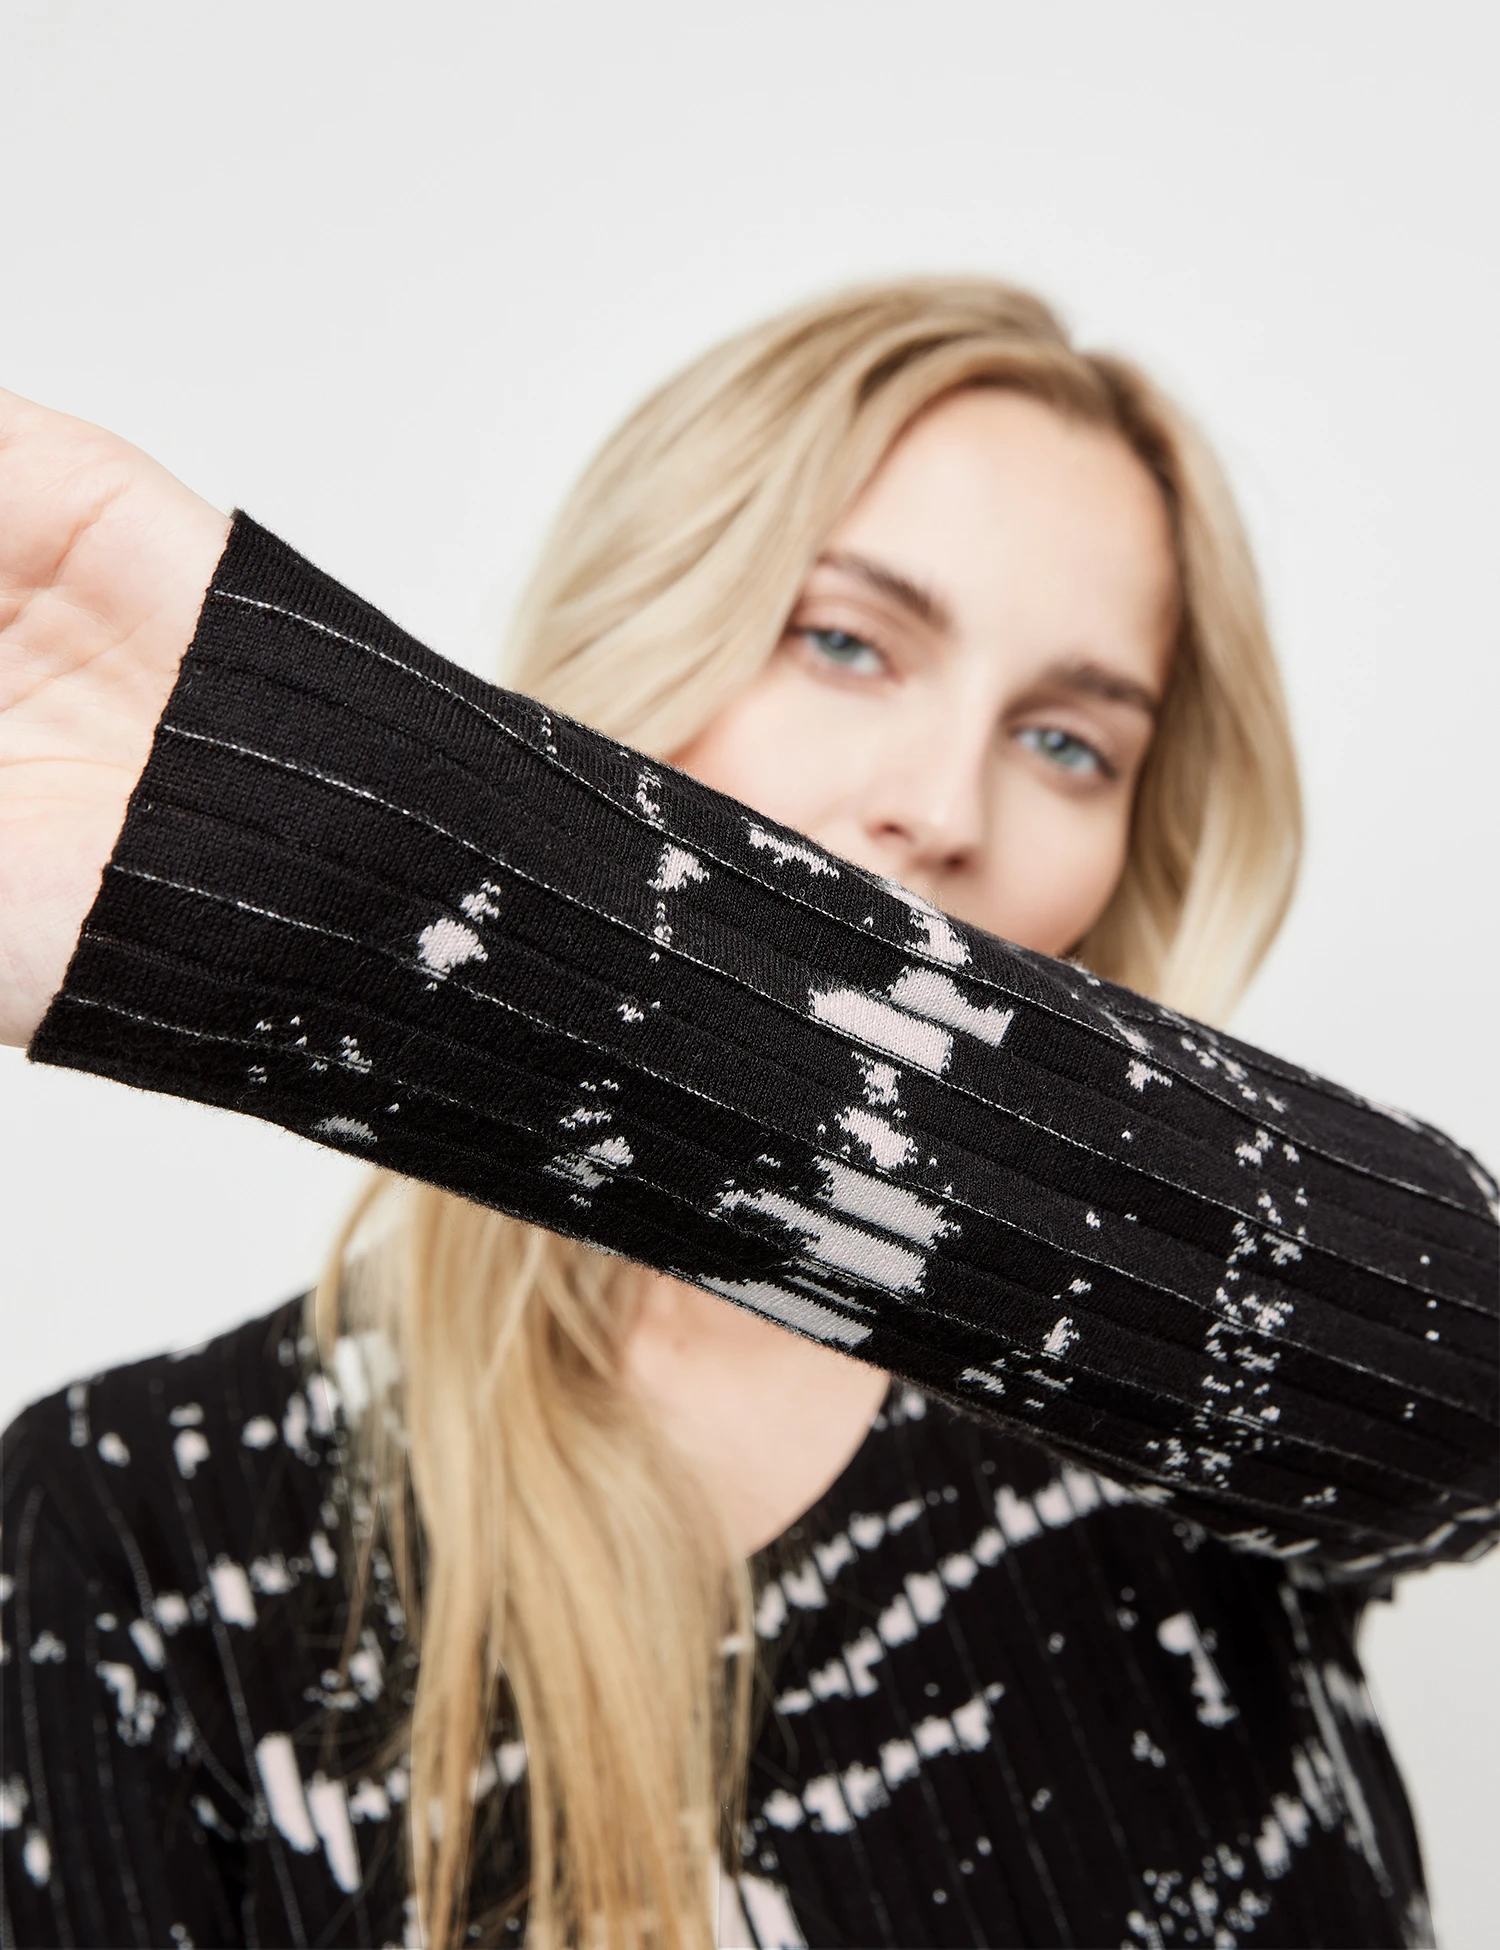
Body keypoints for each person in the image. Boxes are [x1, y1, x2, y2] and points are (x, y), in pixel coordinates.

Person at [0, 279, 1493, 1950]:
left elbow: (1468, 1363)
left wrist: (380, 876)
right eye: (845, 641)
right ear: (645, 635)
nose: (943, 806)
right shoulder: (142, 1518)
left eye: (1070, 743)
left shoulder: (1176, 1387)